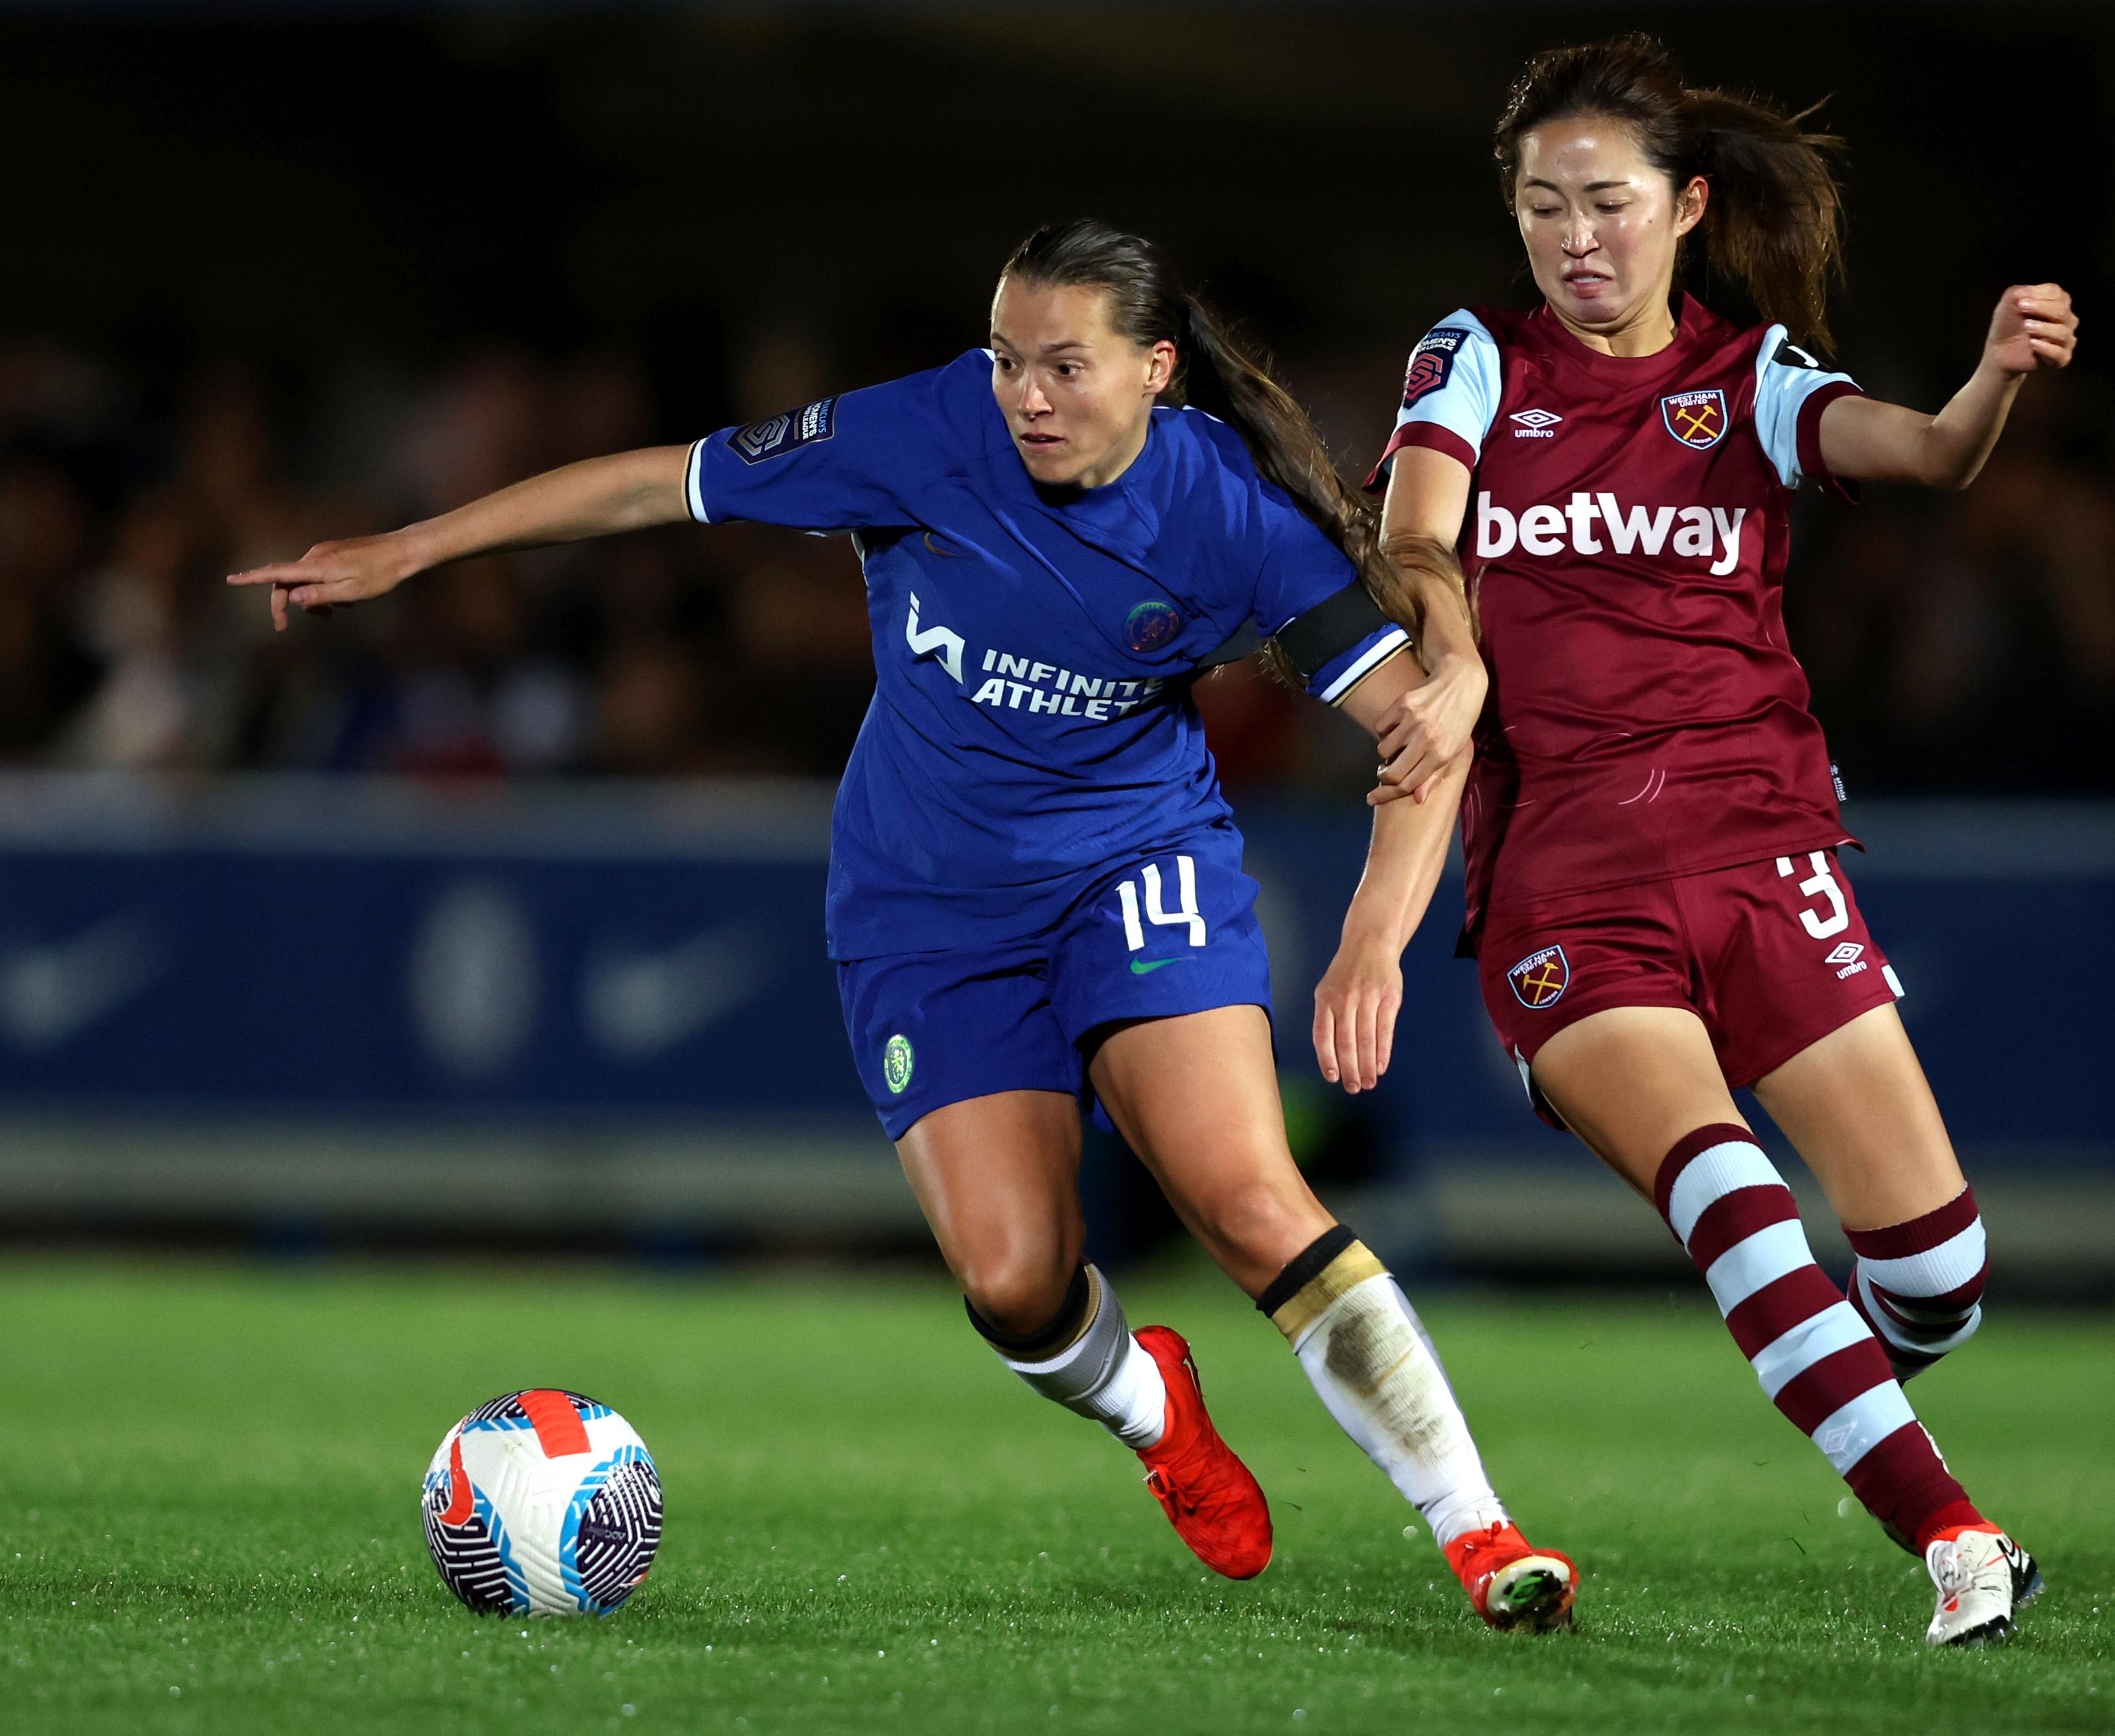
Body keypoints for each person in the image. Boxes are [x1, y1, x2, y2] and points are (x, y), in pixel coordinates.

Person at [227, 221, 1575, 1633]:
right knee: (1013, 1284)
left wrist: (1371, 934)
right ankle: (1151, 1408)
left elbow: (1419, 740)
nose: (1026, 395)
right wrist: (415, 546)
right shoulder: (925, 430)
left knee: (1246, 1197)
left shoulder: (1234, 519)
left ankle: (1479, 1532)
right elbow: (654, 485)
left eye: (1064, 365)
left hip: (1133, 868)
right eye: (1008, 360)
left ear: (1155, 371)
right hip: (924, 903)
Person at [1317, 37, 2078, 1647]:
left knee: (1936, 1271)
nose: (1573, 238)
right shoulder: (1473, 358)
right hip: (1562, 876)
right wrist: (1445, 628)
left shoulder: (1750, 379)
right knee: (1723, 1183)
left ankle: (1828, 1365)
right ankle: (1953, 1535)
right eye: (1541, 208)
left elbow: (1930, 454)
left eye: (1605, 204)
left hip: (1757, 837)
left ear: (1686, 206)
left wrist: (1996, 371)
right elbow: (1412, 524)